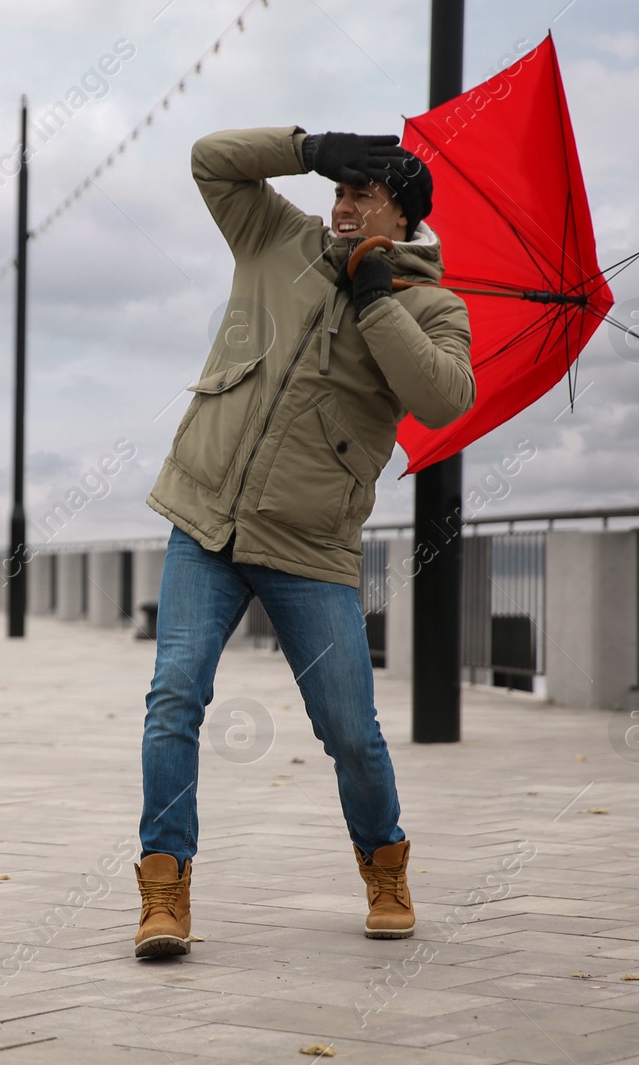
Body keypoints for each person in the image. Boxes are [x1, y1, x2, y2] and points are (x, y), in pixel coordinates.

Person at [132, 128, 475, 958]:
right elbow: (208, 158)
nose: (344, 207)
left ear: (407, 212)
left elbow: (442, 397)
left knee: (349, 728)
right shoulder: (276, 237)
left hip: (310, 547)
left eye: (365, 196)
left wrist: (376, 297)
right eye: (340, 190)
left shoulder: (437, 307)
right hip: (206, 517)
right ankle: (164, 891)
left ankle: (384, 864)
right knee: (174, 696)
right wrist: (304, 145)